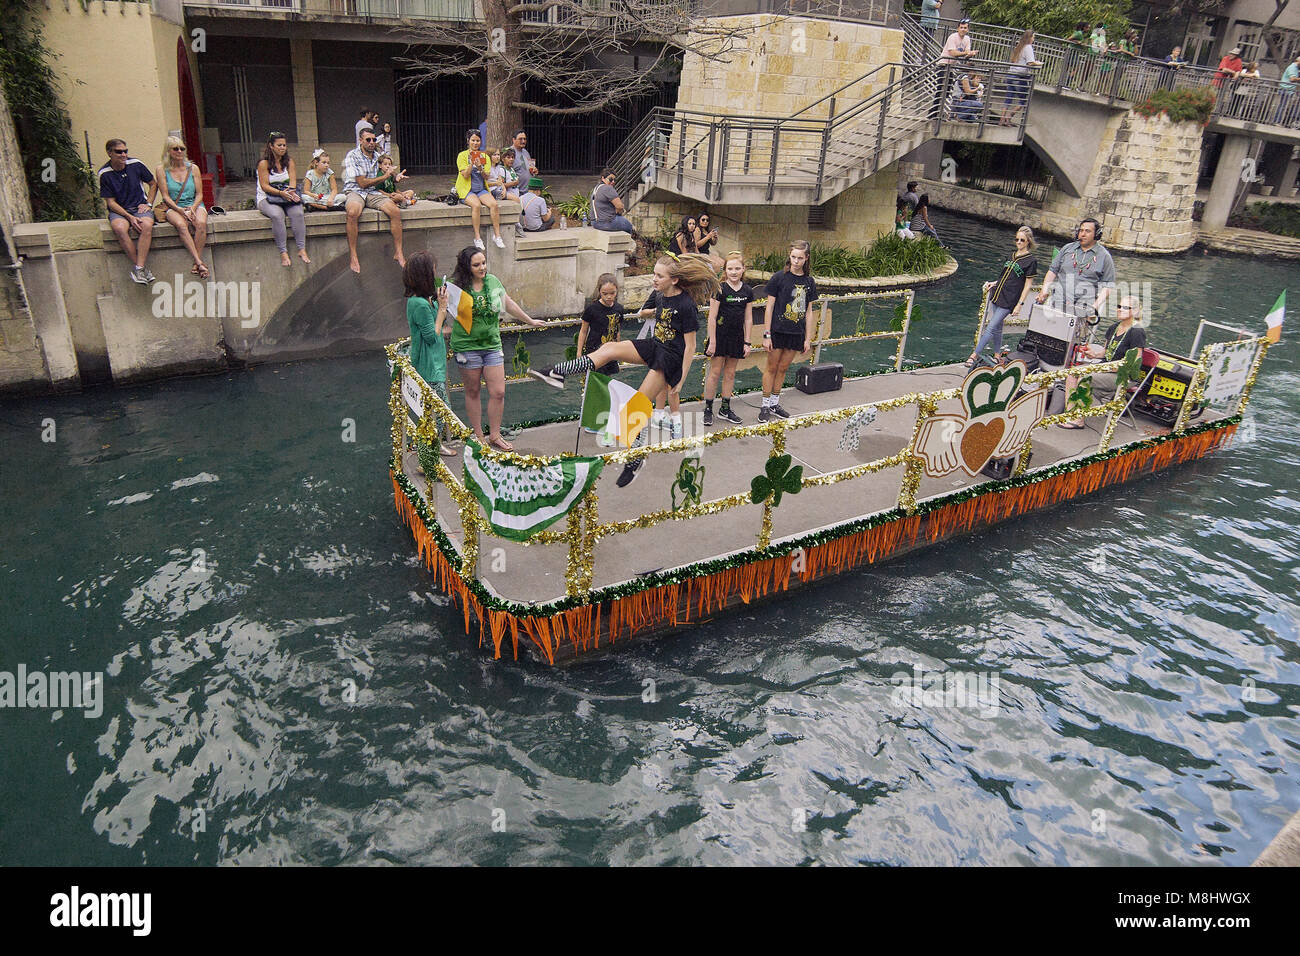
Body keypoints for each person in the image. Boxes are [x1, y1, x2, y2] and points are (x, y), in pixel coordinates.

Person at [530, 254, 719, 487]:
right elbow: (647, 314)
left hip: (669, 358)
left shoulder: (686, 305)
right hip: (655, 345)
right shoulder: (660, 295)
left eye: (659, 276)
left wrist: (680, 377)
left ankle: (636, 458)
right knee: (608, 348)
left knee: (635, 408)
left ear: (675, 280)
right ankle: (558, 372)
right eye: (654, 273)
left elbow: (690, 346)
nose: (654, 279)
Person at [446, 246, 546, 452]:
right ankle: (480, 436)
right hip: (467, 346)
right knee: (472, 390)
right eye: (476, 265)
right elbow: (447, 312)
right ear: (467, 267)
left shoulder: (493, 281)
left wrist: (529, 320)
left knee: (498, 392)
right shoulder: (458, 288)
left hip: (492, 344)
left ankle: (495, 434)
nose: (482, 268)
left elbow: (508, 304)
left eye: (483, 263)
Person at [1059, 295, 1147, 428]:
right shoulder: (1113, 327)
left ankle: (1079, 420)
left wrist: (1110, 368)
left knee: (1085, 377)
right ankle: (1071, 413)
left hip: (1123, 375)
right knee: (1071, 374)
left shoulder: (1137, 331)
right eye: (1118, 306)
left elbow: (1134, 362)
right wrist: (1093, 354)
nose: (1119, 310)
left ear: (1134, 311)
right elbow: (1106, 352)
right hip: (1106, 368)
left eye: (1124, 308)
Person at [405, 251, 458, 458]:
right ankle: (428, 454)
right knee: (436, 410)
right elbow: (432, 336)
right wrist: (443, 308)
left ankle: (431, 447)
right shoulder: (417, 304)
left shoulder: (425, 300)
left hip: (435, 362)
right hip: (428, 366)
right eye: (432, 270)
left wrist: (437, 301)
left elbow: (439, 324)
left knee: (436, 410)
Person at [759, 240, 818, 422]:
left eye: (800, 258)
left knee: (783, 368)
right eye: (793, 257)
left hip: (796, 332)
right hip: (777, 330)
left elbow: (808, 312)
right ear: (789, 256)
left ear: (806, 258)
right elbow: (769, 307)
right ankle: (764, 405)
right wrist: (767, 334)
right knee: (771, 367)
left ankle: (775, 403)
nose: (796, 261)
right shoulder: (779, 278)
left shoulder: (809, 282)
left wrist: (807, 338)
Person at [969, 226, 1037, 366]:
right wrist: (994, 283)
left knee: (991, 327)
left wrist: (1020, 304)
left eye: (1022, 240)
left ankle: (974, 355)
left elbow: (1027, 285)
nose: (1018, 242)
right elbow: (1005, 275)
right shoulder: (1011, 255)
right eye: (1016, 239)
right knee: (998, 327)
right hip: (997, 294)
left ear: (1028, 241)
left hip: (1009, 299)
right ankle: (997, 355)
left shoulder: (1030, 261)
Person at [342, 125, 406, 274]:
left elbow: (389, 174)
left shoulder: (379, 156)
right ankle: (353, 255)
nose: (371, 142)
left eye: (374, 139)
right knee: (352, 212)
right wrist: (384, 176)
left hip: (374, 192)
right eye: (368, 139)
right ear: (360, 140)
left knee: (395, 211)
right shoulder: (353, 155)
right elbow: (362, 183)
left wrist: (396, 178)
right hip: (356, 190)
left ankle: (399, 252)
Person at [703, 251, 754, 426]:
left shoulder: (747, 291)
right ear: (725, 270)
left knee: (730, 374)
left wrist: (747, 342)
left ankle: (725, 408)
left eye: (737, 268)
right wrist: (713, 341)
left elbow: (748, 318)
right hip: (720, 337)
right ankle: (708, 408)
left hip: (737, 338)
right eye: (730, 269)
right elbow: (712, 317)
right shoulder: (719, 288)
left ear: (743, 269)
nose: (734, 272)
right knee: (715, 373)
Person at [150, 136, 208, 279]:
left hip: (194, 204)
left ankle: (197, 263)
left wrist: (193, 208)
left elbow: (200, 194)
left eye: (182, 148)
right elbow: (165, 196)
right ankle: (199, 261)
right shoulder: (161, 170)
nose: (179, 151)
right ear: (168, 151)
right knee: (182, 226)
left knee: (200, 223)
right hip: (174, 206)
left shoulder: (193, 168)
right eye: (175, 148)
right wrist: (180, 210)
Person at [98, 139, 155, 285]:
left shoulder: (136, 164)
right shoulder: (105, 173)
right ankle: (140, 269)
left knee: (146, 225)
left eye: (125, 151)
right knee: (119, 228)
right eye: (119, 152)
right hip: (120, 210)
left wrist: (148, 203)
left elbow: (153, 183)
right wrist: (129, 217)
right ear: (109, 153)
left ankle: (139, 268)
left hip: (139, 207)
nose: (123, 154)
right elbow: (110, 202)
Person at [1035, 217, 1114, 317]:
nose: (1083, 234)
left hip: (1084, 308)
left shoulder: (1105, 256)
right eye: (1081, 230)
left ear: (1097, 235)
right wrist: (1044, 290)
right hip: (1058, 302)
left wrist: (1095, 307)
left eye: (1087, 231)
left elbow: (1108, 285)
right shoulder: (1067, 248)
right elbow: (1052, 271)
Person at [256, 132, 309, 268]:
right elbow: (265, 186)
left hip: (286, 196)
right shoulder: (263, 164)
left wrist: (291, 193)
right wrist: (280, 193)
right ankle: (283, 252)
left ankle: (301, 249)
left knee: (297, 213)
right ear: (271, 146)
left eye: (284, 145)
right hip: (267, 197)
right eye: (279, 145)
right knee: (277, 215)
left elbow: (292, 181)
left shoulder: (289, 162)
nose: (282, 148)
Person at [456, 130, 504, 250]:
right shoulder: (462, 155)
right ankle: (477, 237)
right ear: (468, 141)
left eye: (477, 140)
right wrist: (472, 164)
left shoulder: (485, 156)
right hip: (467, 189)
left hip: (481, 188)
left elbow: (486, 176)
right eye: (473, 140)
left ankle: (497, 236)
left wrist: (480, 167)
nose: (475, 143)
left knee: (493, 204)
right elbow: (465, 175)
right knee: (476, 205)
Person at [577, 273, 626, 380]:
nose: (609, 296)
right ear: (599, 292)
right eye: (605, 294)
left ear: (617, 291)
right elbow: (583, 331)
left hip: (611, 350)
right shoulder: (592, 309)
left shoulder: (619, 308)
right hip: (594, 350)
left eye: (612, 293)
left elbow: (617, 330)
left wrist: (619, 350)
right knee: (595, 379)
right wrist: (579, 352)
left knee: (607, 379)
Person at [1001, 30, 1041, 126]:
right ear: (1030, 37)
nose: (1034, 39)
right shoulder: (1028, 47)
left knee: (1008, 98)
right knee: (1024, 100)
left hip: (1010, 74)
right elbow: (1030, 62)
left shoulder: (1019, 46)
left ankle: (1002, 119)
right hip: (1019, 76)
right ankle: (1009, 116)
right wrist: (1038, 63)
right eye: (1033, 37)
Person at [591, 169, 636, 236]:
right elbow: (619, 206)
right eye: (611, 179)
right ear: (603, 178)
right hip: (606, 222)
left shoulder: (597, 188)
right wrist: (619, 211)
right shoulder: (608, 188)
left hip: (595, 223)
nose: (613, 182)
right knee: (629, 227)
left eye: (614, 180)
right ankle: (628, 243)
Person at [1063, 22, 1090, 91]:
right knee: (1075, 68)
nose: (1088, 29)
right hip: (1072, 51)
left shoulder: (1080, 33)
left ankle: (1064, 83)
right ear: (1084, 27)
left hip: (1075, 52)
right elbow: (1069, 39)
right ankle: (1066, 83)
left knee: (1070, 67)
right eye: (1087, 27)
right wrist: (1077, 42)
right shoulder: (1079, 33)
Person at [511, 130, 538, 196]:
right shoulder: (509, 153)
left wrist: (534, 170)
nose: (523, 141)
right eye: (520, 139)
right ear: (513, 140)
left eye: (524, 139)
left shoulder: (525, 152)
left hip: (528, 191)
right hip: (516, 193)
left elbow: (529, 168)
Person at [1275, 53, 1300, 125]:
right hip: (1286, 89)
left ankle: (1280, 122)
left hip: (1289, 90)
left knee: (1284, 106)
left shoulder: (1296, 68)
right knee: (1282, 106)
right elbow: (1292, 79)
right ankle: (1277, 121)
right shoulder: (1293, 67)